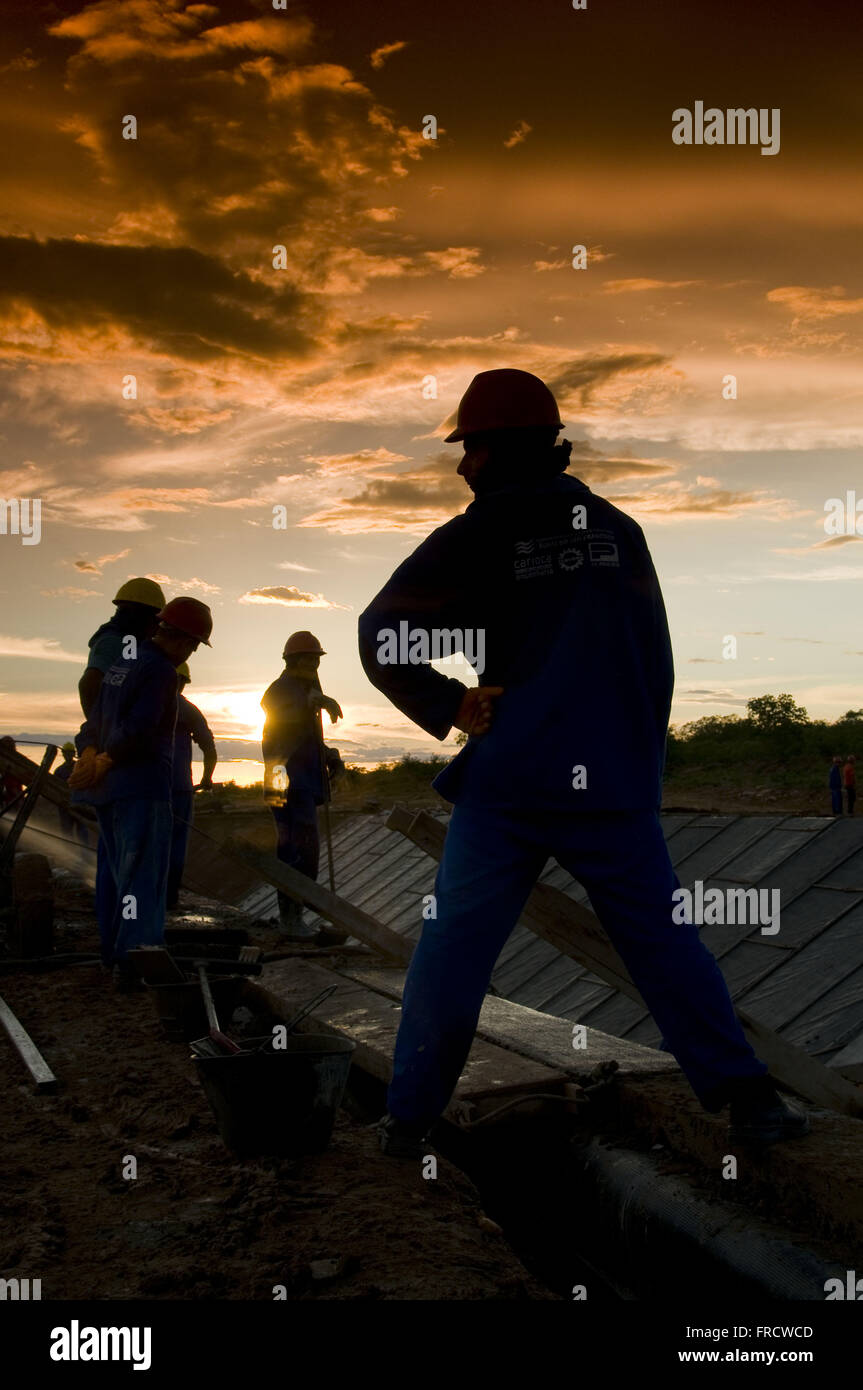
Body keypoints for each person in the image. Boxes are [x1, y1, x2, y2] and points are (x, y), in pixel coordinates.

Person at [358, 367, 809, 1158]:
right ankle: (749, 1103)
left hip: (509, 783)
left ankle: (407, 1123)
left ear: (494, 449)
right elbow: (652, 663)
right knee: (665, 944)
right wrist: (633, 766)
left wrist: (451, 703)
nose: (462, 466)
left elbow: (381, 630)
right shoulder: (618, 531)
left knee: (453, 951)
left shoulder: (480, 531)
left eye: (468, 450)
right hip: (610, 784)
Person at [70, 596, 213, 990]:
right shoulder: (162, 672)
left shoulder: (122, 663)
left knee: (118, 875)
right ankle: (138, 962)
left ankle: (113, 956)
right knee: (144, 881)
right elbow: (142, 728)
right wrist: (108, 758)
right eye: (194, 645)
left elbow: (93, 721)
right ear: (185, 640)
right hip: (143, 788)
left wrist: (90, 754)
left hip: (109, 791)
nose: (191, 652)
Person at [260, 631, 342, 939]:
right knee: (294, 846)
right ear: (291, 662)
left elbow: (309, 738)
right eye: (307, 659)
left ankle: (296, 915)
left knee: (306, 849)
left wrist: (331, 757)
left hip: (302, 779)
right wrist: (312, 702)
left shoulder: (306, 693)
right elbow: (284, 726)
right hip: (283, 777)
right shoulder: (280, 691)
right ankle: (290, 918)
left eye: (315, 660)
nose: (313, 666)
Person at [167, 663, 217, 909]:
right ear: (183, 681)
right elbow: (209, 748)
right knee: (175, 844)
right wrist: (207, 778)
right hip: (179, 788)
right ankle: (169, 898)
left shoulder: (141, 701)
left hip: (146, 787)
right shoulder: (187, 709)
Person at [78, 578, 167, 717]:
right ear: (141, 616)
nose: (156, 628)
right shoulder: (114, 642)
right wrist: (101, 730)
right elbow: (88, 685)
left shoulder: (129, 642)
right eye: (155, 620)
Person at [53, 742, 90, 846]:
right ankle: (72, 854)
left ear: (73, 753)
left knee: (81, 831)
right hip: (65, 806)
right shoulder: (59, 771)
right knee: (67, 833)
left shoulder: (79, 767)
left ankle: (85, 856)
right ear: (63, 754)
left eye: (70, 753)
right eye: (67, 753)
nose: (68, 755)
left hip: (79, 804)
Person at [0, 736, 25, 812]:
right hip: (11, 795)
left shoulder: (16, 761)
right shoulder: (15, 761)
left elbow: (12, 784)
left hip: (13, 796)